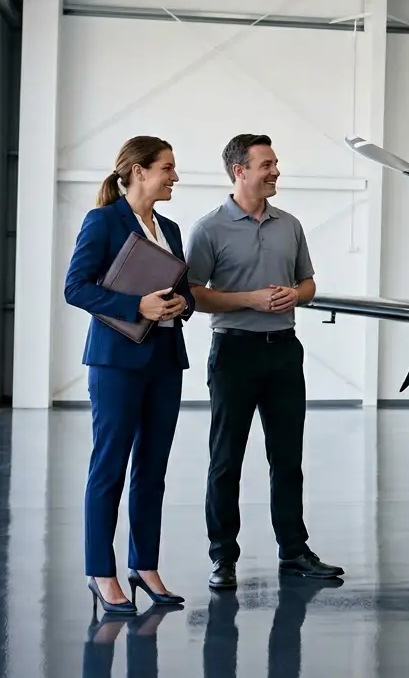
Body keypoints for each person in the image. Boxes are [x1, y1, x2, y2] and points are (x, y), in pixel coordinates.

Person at [185, 133, 344, 588]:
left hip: (285, 352)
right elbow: (194, 295)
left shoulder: (289, 225)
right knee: (226, 459)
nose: (275, 171)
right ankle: (223, 558)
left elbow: (309, 283)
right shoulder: (209, 228)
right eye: (267, 164)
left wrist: (296, 294)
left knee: (288, 458)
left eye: (275, 164)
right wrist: (250, 300)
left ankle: (294, 551)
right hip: (233, 352)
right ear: (241, 170)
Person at [65, 135, 194, 614]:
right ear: (139, 171)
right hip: (116, 362)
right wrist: (134, 305)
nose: (174, 177)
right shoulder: (102, 221)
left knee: (153, 469)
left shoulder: (172, 229)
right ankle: (101, 571)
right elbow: (75, 288)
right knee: (109, 468)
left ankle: (145, 566)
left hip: (164, 359)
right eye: (167, 167)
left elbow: (187, 291)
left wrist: (184, 304)